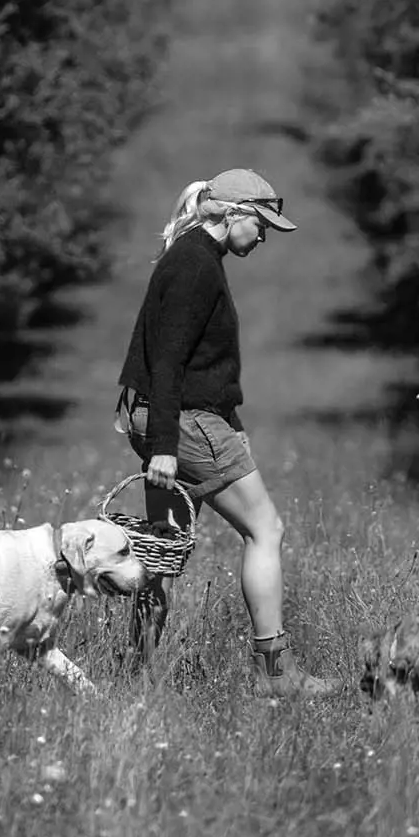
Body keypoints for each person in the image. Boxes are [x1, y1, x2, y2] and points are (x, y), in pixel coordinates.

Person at [116, 167, 338, 697]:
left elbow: (192, 363)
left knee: (162, 548)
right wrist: (166, 448)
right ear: (234, 214)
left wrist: (228, 426)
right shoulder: (195, 266)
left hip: (171, 416)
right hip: (179, 420)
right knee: (266, 530)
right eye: (260, 224)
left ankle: (136, 677)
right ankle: (274, 676)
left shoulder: (194, 254)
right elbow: (167, 362)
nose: (263, 236)